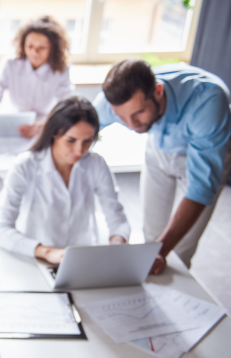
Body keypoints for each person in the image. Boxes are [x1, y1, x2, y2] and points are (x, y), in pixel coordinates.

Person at [94, 60, 231, 274]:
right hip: (159, 147)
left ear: (158, 91)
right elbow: (78, 124)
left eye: (138, 113)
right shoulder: (114, 98)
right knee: (151, 235)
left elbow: (200, 189)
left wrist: (162, 250)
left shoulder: (209, 100)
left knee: (178, 250)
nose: (131, 124)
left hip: (203, 152)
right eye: (122, 117)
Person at [0, 96, 130, 264]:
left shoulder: (96, 164)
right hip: (35, 258)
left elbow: (117, 219)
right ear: (54, 134)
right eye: (71, 141)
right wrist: (47, 252)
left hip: (81, 260)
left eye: (87, 141)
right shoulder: (25, 166)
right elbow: (1, 230)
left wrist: (117, 243)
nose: (79, 150)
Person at [0, 16, 74, 138]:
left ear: (53, 49)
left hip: (43, 129)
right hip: (9, 127)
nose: (34, 52)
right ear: (23, 45)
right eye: (30, 46)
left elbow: (64, 108)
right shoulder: (10, 64)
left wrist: (41, 127)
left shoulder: (61, 70)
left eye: (42, 48)